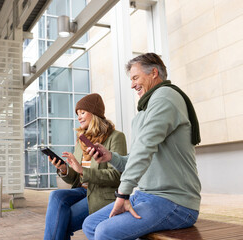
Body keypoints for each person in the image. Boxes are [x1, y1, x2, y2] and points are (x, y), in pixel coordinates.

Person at [82, 53, 202, 240]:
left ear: (154, 73)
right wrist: (110, 157)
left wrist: (123, 193)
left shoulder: (165, 97)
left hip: (174, 201)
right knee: (91, 225)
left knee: (105, 232)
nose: (132, 85)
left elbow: (145, 147)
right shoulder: (146, 109)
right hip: (146, 195)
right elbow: (138, 156)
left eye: (135, 78)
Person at [43, 93, 127, 240]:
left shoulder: (116, 137)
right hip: (81, 191)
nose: (79, 117)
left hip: (100, 195)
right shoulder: (81, 140)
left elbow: (117, 177)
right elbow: (75, 178)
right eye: (77, 114)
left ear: (94, 113)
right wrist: (64, 169)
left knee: (59, 223)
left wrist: (83, 170)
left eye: (82, 112)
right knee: (55, 195)